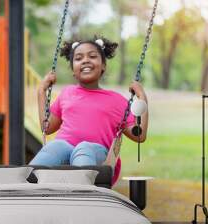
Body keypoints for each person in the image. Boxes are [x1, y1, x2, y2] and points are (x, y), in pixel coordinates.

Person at [29, 36, 149, 185]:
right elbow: (47, 127)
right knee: (55, 146)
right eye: (79, 58)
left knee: (83, 148)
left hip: (99, 157)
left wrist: (141, 97)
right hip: (64, 150)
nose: (85, 60)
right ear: (73, 69)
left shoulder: (117, 101)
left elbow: (140, 135)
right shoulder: (67, 93)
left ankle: (82, 192)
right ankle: (28, 184)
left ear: (103, 66)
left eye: (92, 56)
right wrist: (41, 91)